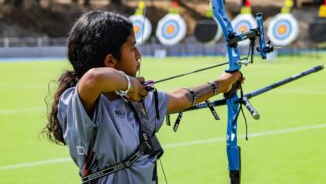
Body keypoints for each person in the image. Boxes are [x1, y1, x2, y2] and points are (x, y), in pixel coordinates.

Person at [43, 10, 243, 184]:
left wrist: (221, 84)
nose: (139, 54)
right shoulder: (80, 104)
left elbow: (181, 97)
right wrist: (130, 85)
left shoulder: (136, 101)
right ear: (111, 61)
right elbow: (94, 78)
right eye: (132, 48)